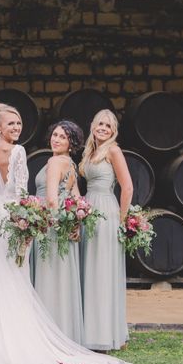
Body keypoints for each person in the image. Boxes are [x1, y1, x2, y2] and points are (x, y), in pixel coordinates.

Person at [0, 103, 143, 364]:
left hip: (0, 218)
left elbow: (36, 194)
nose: (17, 127)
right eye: (11, 123)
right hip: (16, 217)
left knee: (2, 276)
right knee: (15, 275)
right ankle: (19, 337)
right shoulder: (19, 151)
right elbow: (21, 192)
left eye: (18, 123)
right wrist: (30, 215)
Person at [79, 109, 133, 351]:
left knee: (102, 269)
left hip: (106, 210)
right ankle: (88, 329)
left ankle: (106, 332)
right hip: (88, 209)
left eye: (108, 126)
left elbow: (128, 187)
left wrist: (121, 220)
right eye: (99, 123)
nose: (102, 128)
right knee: (88, 268)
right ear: (92, 125)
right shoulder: (90, 151)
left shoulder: (113, 150)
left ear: (113, 131)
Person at [33, 121, 84, 343]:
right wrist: (75, 223)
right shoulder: (71, 165)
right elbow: (77, 199)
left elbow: (52, 199)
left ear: (71, 143)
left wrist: (47, 223)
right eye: (54, 135)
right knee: (62, 280)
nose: (56, 139)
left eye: (62, 137)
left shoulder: (55, 162)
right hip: (64, 226)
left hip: (50, 227)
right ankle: (63, 332)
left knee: (49, 278)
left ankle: (47, 334)